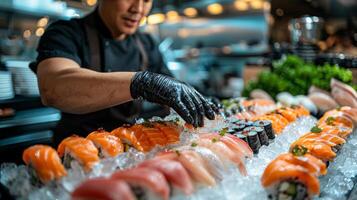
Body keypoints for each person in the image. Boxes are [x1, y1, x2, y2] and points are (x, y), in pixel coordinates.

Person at [29, 0, 217, 144]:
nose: (138, 9)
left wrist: (200, 104)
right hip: (76, 152)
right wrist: (141, 83)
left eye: (146, 1)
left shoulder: (146, 43)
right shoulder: (66, 33)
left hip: (131, 147)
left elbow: (174, 100)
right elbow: (53, 89)